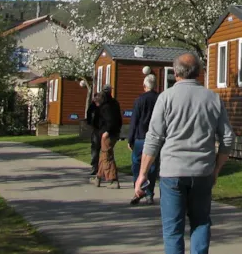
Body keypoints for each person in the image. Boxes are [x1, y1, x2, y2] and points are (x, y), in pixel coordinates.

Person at [136, 52, 234, 254]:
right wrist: (216, 169)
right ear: (198, 72)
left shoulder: (165, 98)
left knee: (173, 230)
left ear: (176, 72)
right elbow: (228, 138)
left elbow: (154, 138)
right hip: (202, 171)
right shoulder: (213, 98)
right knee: (200, 223)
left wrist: (142, 174)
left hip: (172, 172)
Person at [126, 73, 159, 205]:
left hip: (140, 137)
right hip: (155, 136)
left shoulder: (139, 100)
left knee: (137, 165)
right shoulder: (159, 98)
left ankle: (138, 188)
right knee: (152, 166)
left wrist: (130, 138)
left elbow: (134, 120)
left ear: (144, 85)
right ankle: (150, 193)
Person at [93, 89, 123, 188]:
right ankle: (98, 177)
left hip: (108, 134)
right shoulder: (114, 104)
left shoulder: (105, 108)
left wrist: (107, 132)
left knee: (107, 156)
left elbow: (110, 121)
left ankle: (113, 179)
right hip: (114, 132)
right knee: (104, 155)